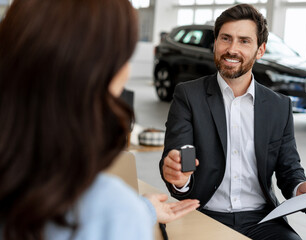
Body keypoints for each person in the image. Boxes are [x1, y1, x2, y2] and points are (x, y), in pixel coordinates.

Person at [0, 0, 200, 239]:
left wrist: (141, 209)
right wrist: (128, 213)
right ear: (103, 71)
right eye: (126, 55)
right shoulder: (112, 211)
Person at [160, 4, 306, 240]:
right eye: (225, 39)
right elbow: (176, 158)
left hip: (263, 220)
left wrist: (300, 189)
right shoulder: (188, 96)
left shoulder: (279, 106)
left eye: (244, 41)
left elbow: (289, 169)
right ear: (215, 43)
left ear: (260, 50)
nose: (232, 49)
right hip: (205, 214)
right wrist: (179, 179)